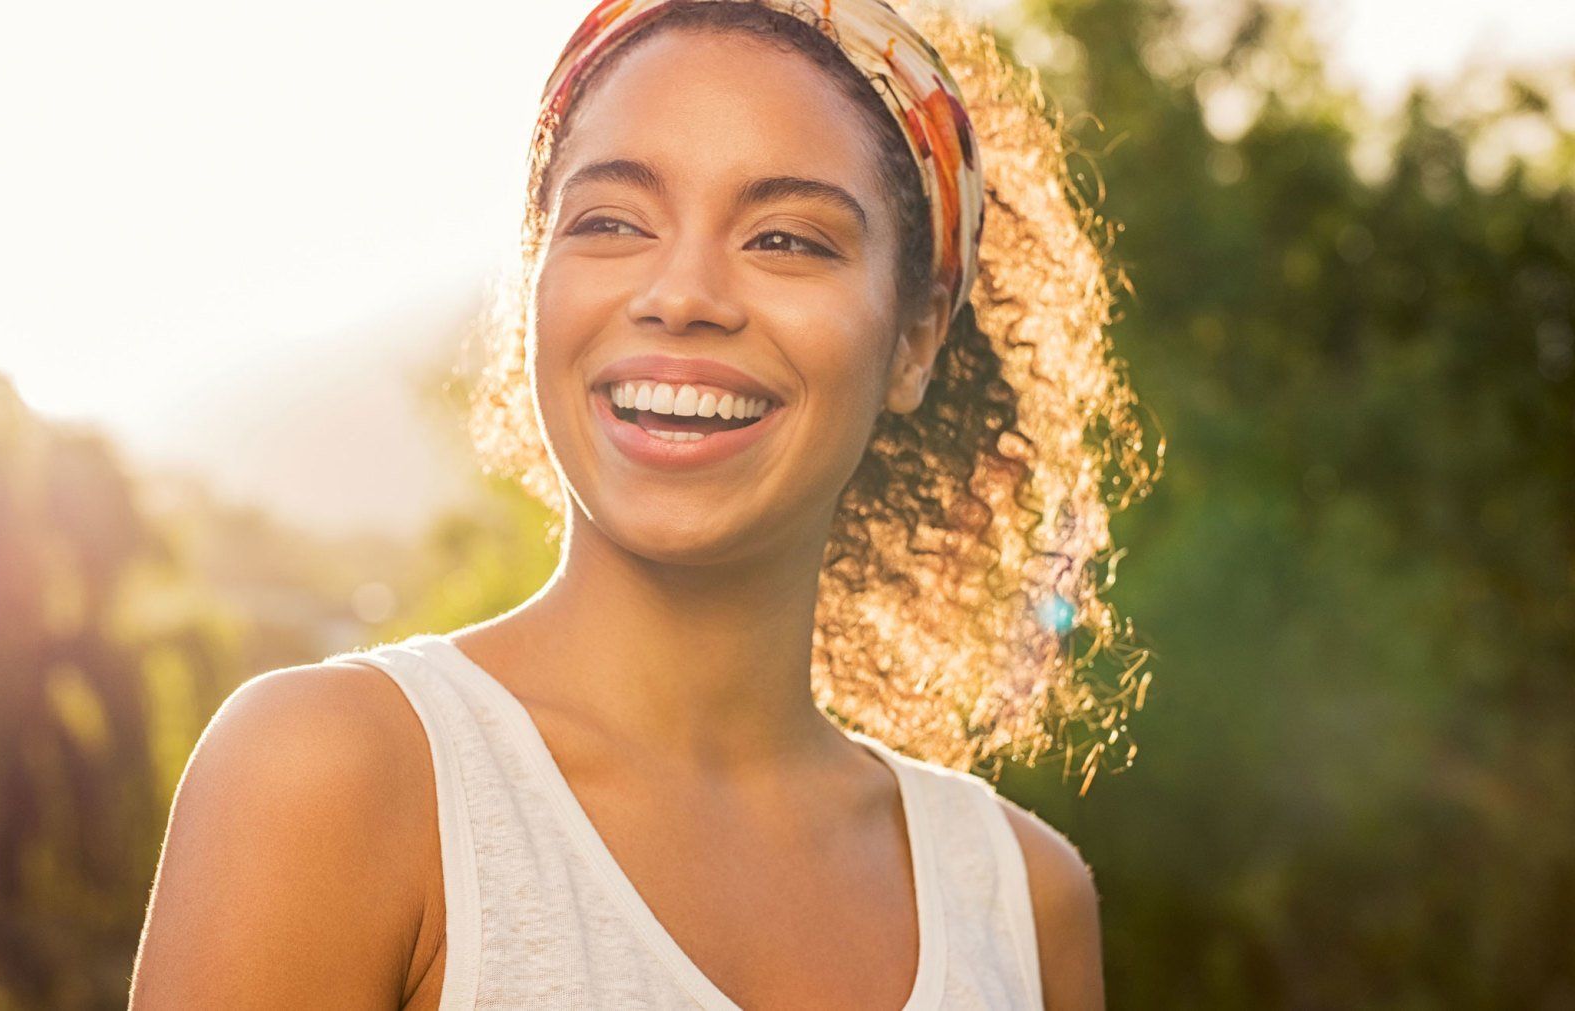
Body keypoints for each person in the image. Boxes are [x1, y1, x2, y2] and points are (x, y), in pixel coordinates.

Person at [131, 0, 1152, 1006]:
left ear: (917, 338)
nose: (682, 294)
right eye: (611, 221)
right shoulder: (332, 777)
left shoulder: (1022, 903)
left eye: (787, 240)